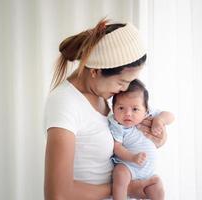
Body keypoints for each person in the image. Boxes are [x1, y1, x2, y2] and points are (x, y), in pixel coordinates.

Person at [44, 19, 168, 200]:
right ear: (95, 71)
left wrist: (156, 137)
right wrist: (123, 188)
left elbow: (111, 141)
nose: (125, 90)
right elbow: (57, 194)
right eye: (121, 82)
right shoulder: (65, 103)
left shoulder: (104, 97)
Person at [108, 79, 174, 200]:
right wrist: (132, 158)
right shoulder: (117, 124)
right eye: (121, 108)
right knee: (120, 174)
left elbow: (171, 116)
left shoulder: (149, 115)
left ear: (145, 109)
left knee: (157, 184)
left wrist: (159, 120)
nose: (127, 113)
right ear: (113, 108)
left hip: (148, 170)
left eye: (135, 109)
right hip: (128, 165)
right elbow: (117, 147)